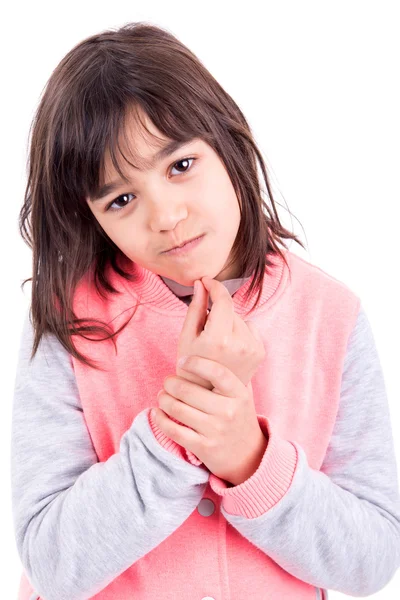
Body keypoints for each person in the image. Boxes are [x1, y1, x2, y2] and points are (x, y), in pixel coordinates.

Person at [11, 21, 400, 600]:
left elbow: (370, 562)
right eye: (121, 198)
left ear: (228, 141)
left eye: (180, 166)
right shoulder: (73, 322)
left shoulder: (330, 316)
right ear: (91, 217)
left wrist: (248, 456)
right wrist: (179, 431)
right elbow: (52, 564)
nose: (165, 216)